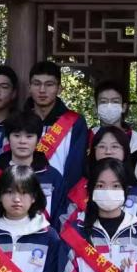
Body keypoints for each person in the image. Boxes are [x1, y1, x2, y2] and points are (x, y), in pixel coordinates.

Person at [0, 112, 66, 230]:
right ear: (8, 138)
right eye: (16, 135)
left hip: (41, 241)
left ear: (38, 139)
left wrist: (50, 240)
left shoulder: (52, 177)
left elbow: (60, 219)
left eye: (29, 136)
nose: (22, 141)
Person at [63, 126, 137, 228]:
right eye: (102, 146)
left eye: (115, 146)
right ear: (93, 151)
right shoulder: (80, 189)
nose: (108, 151)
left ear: (125, 151)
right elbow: (65, 227)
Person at [25, 60, 89, 190]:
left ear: (59, 88)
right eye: (37, 84)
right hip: (22, 194)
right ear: (29, 87)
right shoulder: (19, 121)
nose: (42, 90)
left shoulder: (75, 122)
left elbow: (76, 167)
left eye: (49, 84)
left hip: (60, 195)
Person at [92, 80, 137, 154]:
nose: (109, 107)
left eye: (115, 102)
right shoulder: (88, 136)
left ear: (124, 107)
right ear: (96, 108)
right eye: (103, 102)